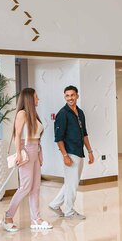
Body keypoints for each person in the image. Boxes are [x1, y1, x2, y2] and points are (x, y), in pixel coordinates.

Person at [2, 87, 52, 232]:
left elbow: (37, 137)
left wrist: (39, 153)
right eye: (36, 96)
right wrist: (18, 153)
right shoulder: (22, 114)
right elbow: (17, 135)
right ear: (29, 98)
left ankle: (36, 219)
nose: (38, 99)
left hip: (35, 149)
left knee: (36, 187)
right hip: (27, 150)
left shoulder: (33, 114)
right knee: (25, 187)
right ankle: (7, 217)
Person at [48, 85, 94, 220]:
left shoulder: (80, 113)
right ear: (65, 97)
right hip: (70, 152)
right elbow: (58, 138)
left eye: (72, 95)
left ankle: (55, 204)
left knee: (71, 183)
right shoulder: (62, 114)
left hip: (79, 151)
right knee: (72, 184)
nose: (70, 98)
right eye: (67, 96)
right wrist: (65, 155)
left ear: (77, 96)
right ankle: (69, 211)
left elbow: (84, 134)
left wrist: (90, 151)